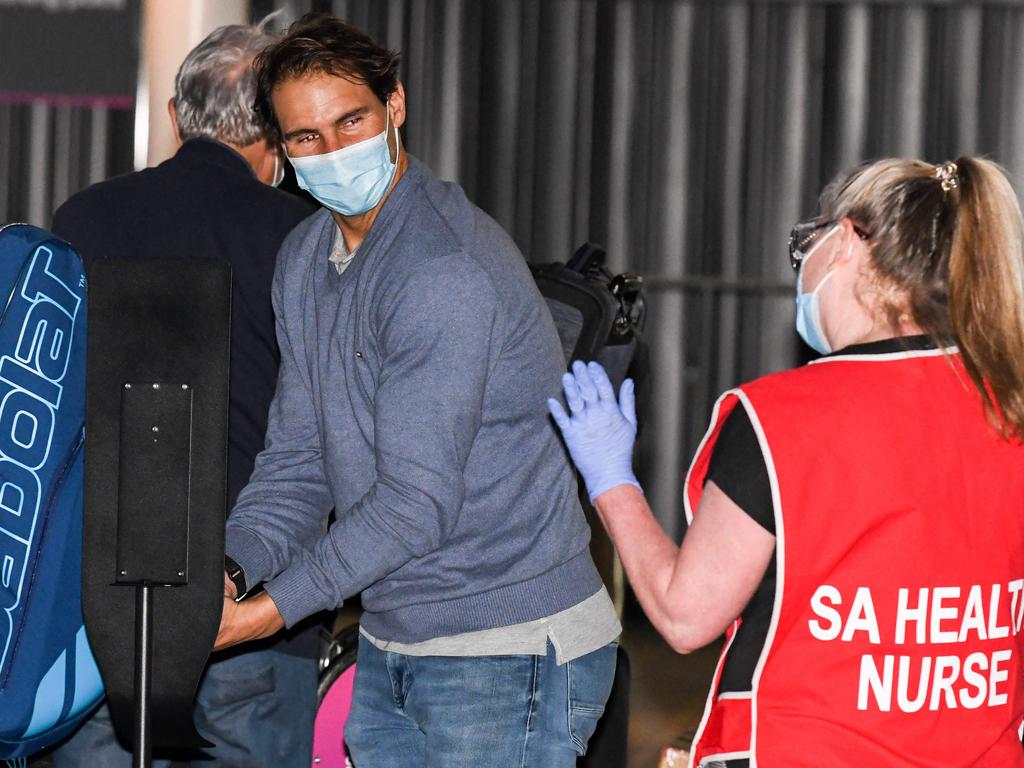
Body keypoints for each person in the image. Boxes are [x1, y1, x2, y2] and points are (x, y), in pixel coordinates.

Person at [212, 12, 620, 766]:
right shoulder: (304, 258)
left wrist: (266, 614)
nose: (334, 151)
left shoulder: (442, 269)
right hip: (397, 631)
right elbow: (297, 461)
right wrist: (229, 571)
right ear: (279, 148)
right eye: (306, 137)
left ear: (394, 105)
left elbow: (413, 505)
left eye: (352, 121)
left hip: (509, 645)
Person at [550, 157, 1024, 766]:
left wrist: (610, 475)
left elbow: (684, 614)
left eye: (811, 241)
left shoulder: (784, 416)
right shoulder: (1006, 406)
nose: (804, 266)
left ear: (849, 240)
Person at [50, 21, 319, 768]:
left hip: (98, 604)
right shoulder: (302, 235)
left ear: (174, 115)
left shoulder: (83, 218)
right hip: (258, 607)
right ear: (276, 131)